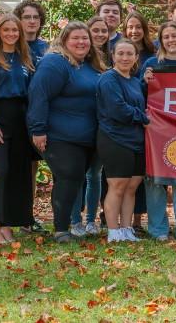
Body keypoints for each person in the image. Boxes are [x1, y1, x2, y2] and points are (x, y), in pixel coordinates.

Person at [27, 21, 105, 243]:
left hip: (86, 137)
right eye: (76, 38)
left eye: (85, 38)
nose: (81, 42)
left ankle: (72, 225)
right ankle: (61, 229)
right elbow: (38, 94)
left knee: (75, 178)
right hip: (58, 135)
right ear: (63, 41)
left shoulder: (91, 65)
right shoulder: (55, 63)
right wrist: (38, 129)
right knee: (68, 176)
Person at [0, 14, 36, 245]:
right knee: (0, 171)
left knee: (18, 174)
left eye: (15, 30)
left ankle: (9, 225)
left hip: (21, 121)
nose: (11, 34)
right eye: (6, 30)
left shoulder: (25, 59)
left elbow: (31, 92)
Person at [142, 21, 176, 241]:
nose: (170, 40)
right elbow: (139, 95)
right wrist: (143, 81)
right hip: (155, 132)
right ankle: (158, 230)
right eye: (166, 37)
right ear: (161, 41)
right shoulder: (151, 64)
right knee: (155, 181)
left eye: (174, 36)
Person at [97, 39, 150, 242]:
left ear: (136, 57)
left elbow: (143, 103)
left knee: (131, 187)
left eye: (130, 54)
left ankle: (127, 229)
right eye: (121, 53)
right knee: (117, 186)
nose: (125, 57)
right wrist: (144, 118)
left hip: (136, 140)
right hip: (115, 139)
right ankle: (113, 231)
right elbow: (117, 109)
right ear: (113, 55)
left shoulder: (135, 81)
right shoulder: (108, 79)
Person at [70, 15, 110, 236]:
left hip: (100, 127)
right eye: (95, 30)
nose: (100, 34)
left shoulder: (103, 62)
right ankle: (75, 220)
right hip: (77, 127)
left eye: (104, 31)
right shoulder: (75, 60)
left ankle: (91, 220)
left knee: (94, 175)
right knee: (76, 174)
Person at [13, 0, 48, 234]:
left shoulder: (47, 49)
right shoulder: (11, 46)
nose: (32, 21)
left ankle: (27, 216)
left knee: (32, 168)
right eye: (27, 17)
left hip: (38, 115)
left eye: (36, 17)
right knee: (14, 168)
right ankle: (8, 216)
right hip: (15, 114)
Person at [124, 11, 155, 231]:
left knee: (141, 173)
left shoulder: (153, 55)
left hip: (151, 119)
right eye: (130, 27)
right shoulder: (120, 52)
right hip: (128, 118)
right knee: (123, 174)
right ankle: (114, 217)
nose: (134, 31)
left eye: (138, 27)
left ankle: (137, 220)